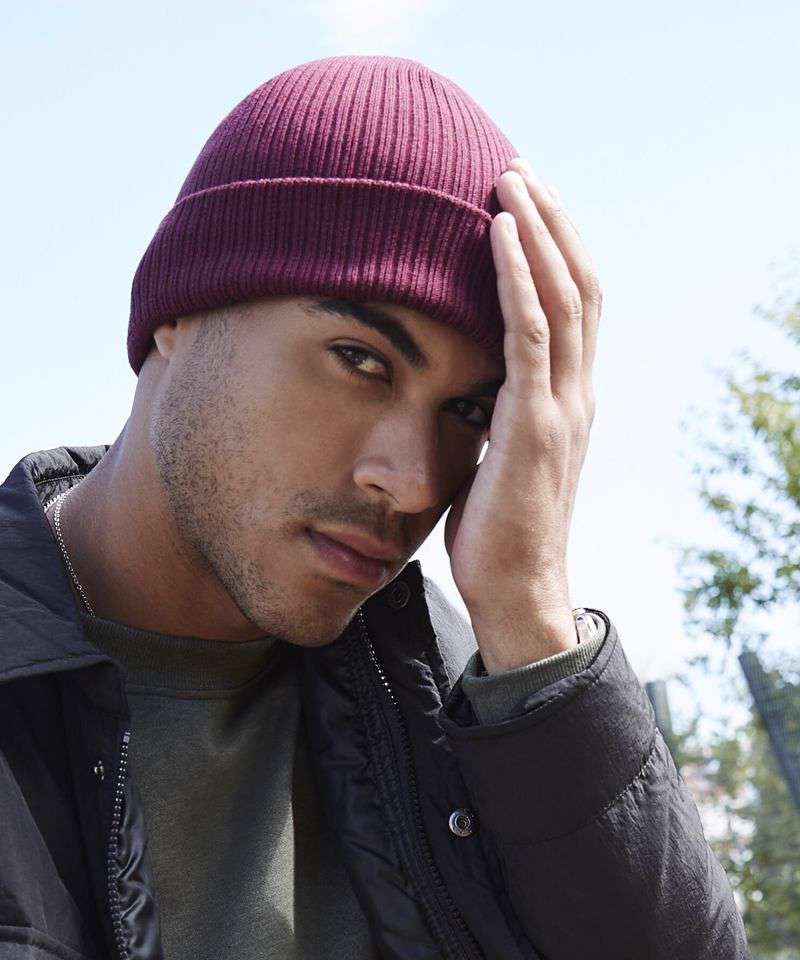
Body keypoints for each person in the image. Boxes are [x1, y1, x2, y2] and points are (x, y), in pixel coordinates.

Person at [0, 55, 750, 960]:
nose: (416, 482)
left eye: (469, 411)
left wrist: (532, 619)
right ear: (180, 313)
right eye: (361, 360)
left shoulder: (466, 696)